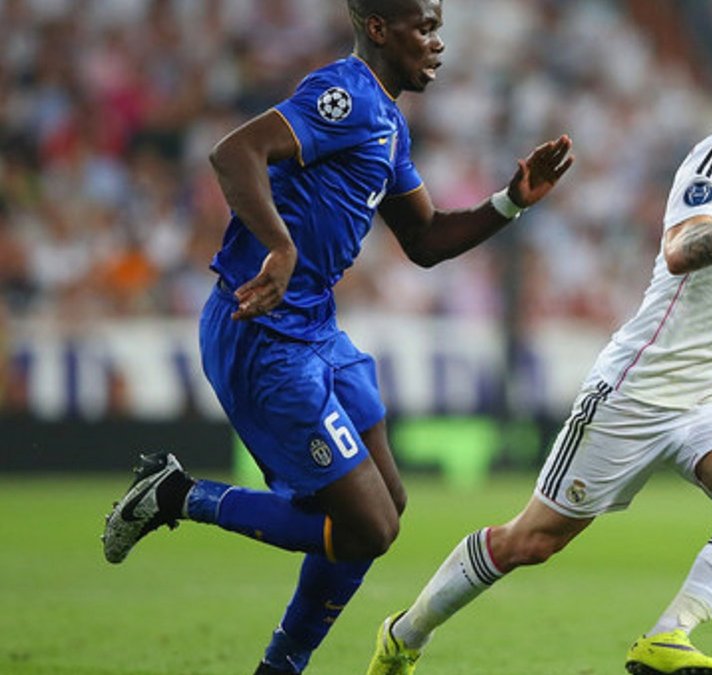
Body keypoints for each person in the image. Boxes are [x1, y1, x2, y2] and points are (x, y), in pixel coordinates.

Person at [100, 1, 573, 673]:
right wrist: (280, 245)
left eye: (438, 27)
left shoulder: (389, 122)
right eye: (425, 28)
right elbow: (234, 153)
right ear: (379, 29)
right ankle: (177, 495)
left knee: (387, 507)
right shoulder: (344, 94)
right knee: (368, 527)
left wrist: (511, 200)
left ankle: (280, 666)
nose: (437, 43)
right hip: (263, 333)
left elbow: (424, 239)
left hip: (316, 329)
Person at [367, 22, 712, 675]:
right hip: (636, 392)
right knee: (531, 540)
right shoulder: (711, 166)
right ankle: (405, 633)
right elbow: (679, 252)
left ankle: (667, 637)